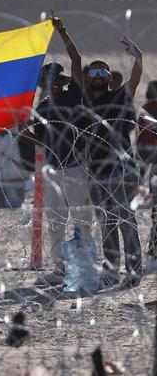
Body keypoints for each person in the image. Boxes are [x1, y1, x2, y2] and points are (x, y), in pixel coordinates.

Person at [24, 16, 93, 285]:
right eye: (48, 79)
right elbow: (39, 141)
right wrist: (22, 131)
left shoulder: (74, 95)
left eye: (56, 79)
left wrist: (62, 31)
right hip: (53, 168)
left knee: (82, 220)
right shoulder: (41, 108)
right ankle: (59, 268)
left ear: (62, 81)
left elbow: (76, 60)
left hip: (76, 165)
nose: (52, 83)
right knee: (55, 222)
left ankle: (83, 266)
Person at [78, 36, 144, 288]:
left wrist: (137, 57)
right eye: (93, 71)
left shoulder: (118, 97)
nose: (97, 75)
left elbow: (135, 81)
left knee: (126, 220)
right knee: (106, 222)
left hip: (121, 169)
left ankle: (134, 271)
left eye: (102, 71)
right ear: (88, 77)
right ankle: (111, 270)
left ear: (108, 77)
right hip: (96, 170)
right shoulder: (85, 102)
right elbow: (74, 68)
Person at [138, 81, 157, 258]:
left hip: (150, 160)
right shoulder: (148, 108)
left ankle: (154, 246)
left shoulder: (145, 108)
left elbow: (140, 137)